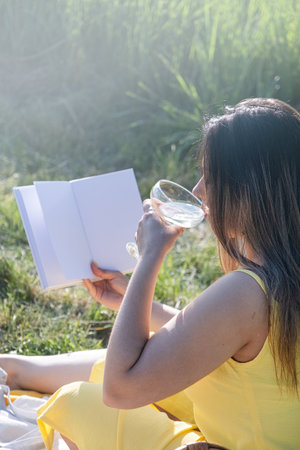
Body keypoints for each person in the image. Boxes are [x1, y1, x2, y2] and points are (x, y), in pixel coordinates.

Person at [1, 98, 300, 449]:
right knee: (142, 368)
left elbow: (120, 387)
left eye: (212, 176)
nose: (200, 190)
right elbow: (215, 331)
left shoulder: (246, 292)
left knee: (78, 402)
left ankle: (15, 371)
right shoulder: (278, 278)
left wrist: (150, 256)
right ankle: (16, 367)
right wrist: (133, 298)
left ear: (250, 190)